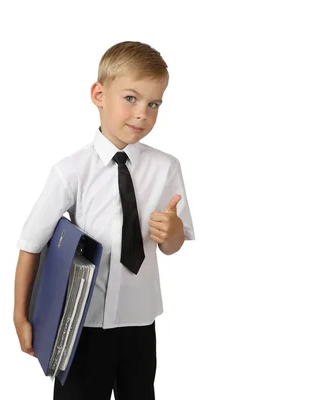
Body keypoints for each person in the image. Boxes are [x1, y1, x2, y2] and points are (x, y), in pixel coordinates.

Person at [12, 41, 195, 400]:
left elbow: (172, 245)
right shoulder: (71, 173)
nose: (142, 113)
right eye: (131, 98)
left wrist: (171, 233)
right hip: (83, 325)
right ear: (99, 94)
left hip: (139, 321)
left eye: (153, 104)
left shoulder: (166, 168)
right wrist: (20, 316)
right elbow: (30, 243)